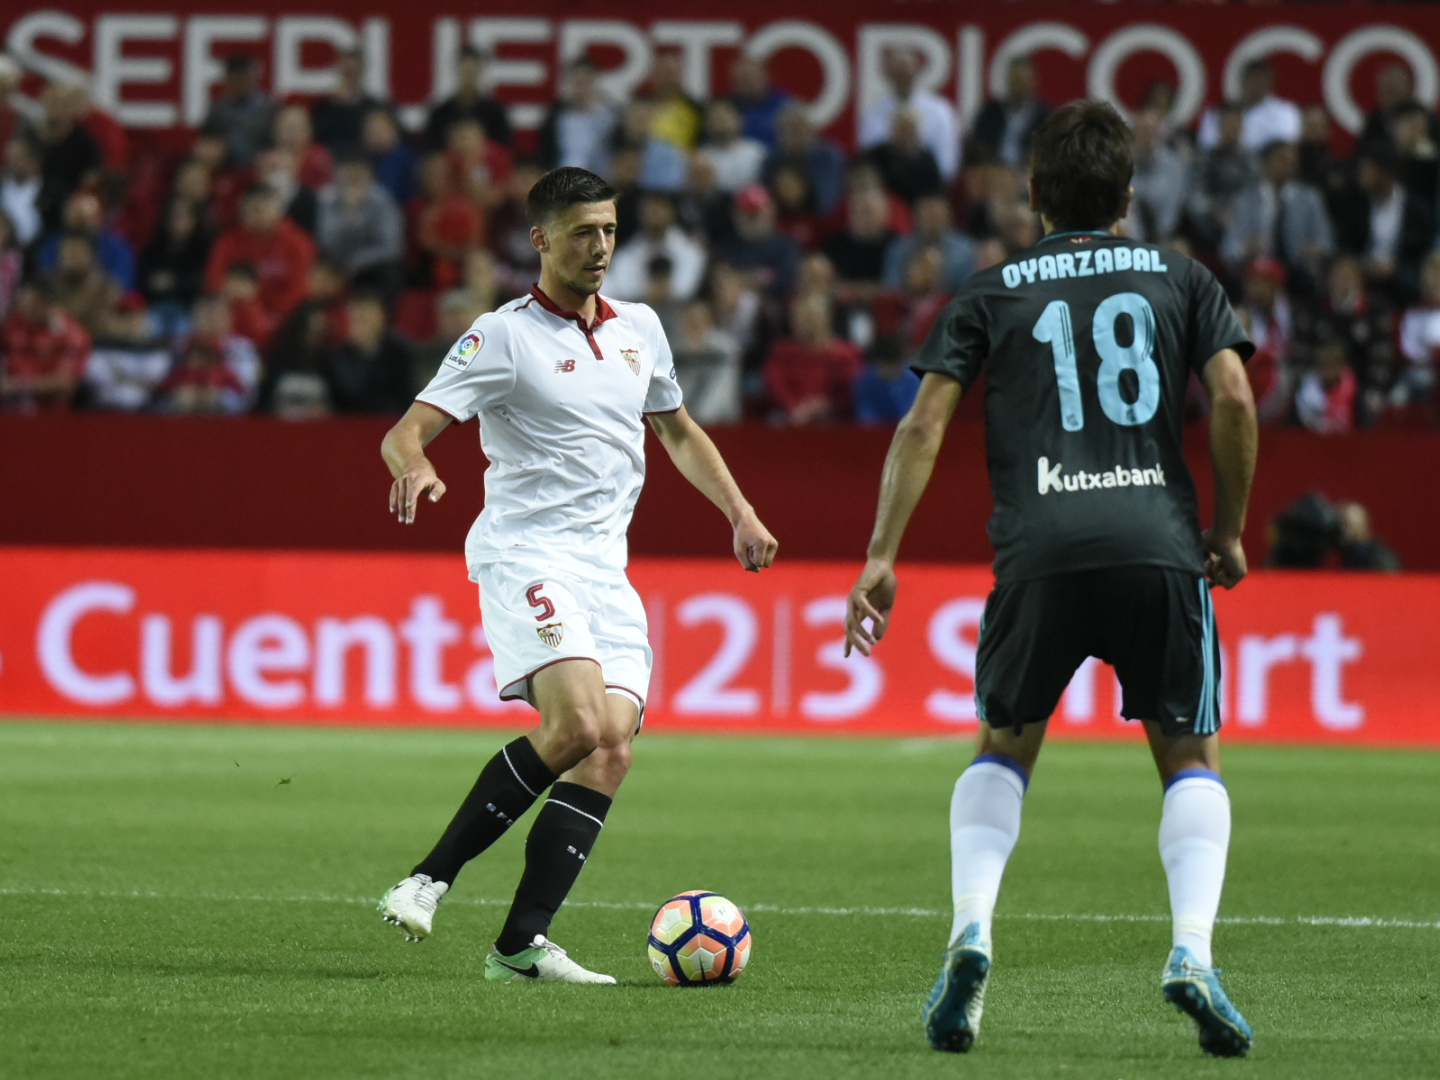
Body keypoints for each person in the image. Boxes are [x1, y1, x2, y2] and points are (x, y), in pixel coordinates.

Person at [842, 100, 1258, 1058]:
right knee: (1189, 756)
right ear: (1126, 195)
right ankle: (1192, 952)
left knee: (1003, 745)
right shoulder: (1181, 276)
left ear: (1031, 195)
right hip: (1158, 544)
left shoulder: (991, 290)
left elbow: (922, 428)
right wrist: (1228, 531)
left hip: (1038, 553)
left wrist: (880, 554)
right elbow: (1233, 395)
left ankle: (972, 932)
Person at [376, 166, 777, 981]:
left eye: (610, 231)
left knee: (612, 750)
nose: (600, 247)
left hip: (605, 569)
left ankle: (521, 944)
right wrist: (415, 466)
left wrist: (739, 511)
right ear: (541, 240)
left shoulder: (640, 329)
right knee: (578, 728)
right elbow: (405, 432)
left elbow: (679, 431)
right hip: (527, 552)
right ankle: (426, 879)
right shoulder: (502, 335)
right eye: (584, 232)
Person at [205, 184, 316, 322]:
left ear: (276, 210)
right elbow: (214, 282)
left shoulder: (299, 244)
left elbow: (299, 290)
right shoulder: (227, 243)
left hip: (283, 320)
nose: (250, 217)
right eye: (245, 212)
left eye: (257, 210)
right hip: (233, 318)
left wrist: (269, 315)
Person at [859, 47, 960, 181]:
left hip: (928, 184)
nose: (903, 74)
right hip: (887, 187)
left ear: (917, 70)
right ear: (888, 73)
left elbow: (947, 158)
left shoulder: (939, 111)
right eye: (898, 71)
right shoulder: (874, 113)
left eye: (906, 69)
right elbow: (870, 155)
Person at [603, 192, 705, 303]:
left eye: (660, 207)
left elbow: (687, 288)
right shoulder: (627, 253)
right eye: (649, 208)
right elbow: (622, 288)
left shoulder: (689, 249)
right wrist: (647, 292)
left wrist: (665, 291)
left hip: (680, 312)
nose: (654, 212)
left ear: (672, 212)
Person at [1196, 58, 1300, 153]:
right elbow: (1207, 144)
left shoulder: (1285, 112)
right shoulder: (1216, 112)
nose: (1257, 84)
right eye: (1253, 79)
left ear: (1270, 82)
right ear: (1243, 80)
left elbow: (1284, 147)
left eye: (1262, 80)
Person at [537, 57, 617, 176]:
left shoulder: (610, 115)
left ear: (594, 79)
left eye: (585, 80)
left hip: (601, 180)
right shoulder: (558, 115)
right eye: (576, 80)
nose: (581, 86)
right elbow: (547, 150)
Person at [423, 47, 511, 152]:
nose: (469, 76)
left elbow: (504, 150)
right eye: (465, 70)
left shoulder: (496, 113)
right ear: (457, 71)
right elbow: (431, 152)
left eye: (473, 71)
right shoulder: (440, 114)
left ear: (480, 72)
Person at [969, 56, 1050, 168]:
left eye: (1021, 81)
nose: (1017, 86)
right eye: (1014, 81)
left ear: (1033, 82)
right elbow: (978, 144)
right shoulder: (990, 112)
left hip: (1027, 172)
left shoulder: (1044, 116)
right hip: (995, 171)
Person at [203, 55, 275, 168]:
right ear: (228, 80)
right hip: (224, 165)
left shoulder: (270, 108)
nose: (240, 83)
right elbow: (206, 139)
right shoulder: (218, 110)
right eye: (235, 78)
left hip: (262, 163)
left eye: (243, 77)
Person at [310, 49, 387, 155]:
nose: (350, 76)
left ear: (362, 72)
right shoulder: (323, 109)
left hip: (367, 164)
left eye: (354, 71)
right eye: (347, 72)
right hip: (329, 164)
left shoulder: (375, 109)